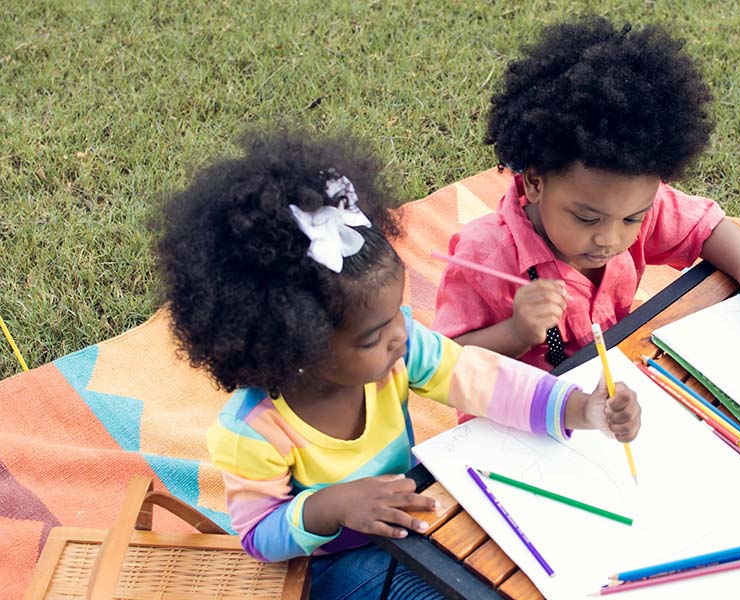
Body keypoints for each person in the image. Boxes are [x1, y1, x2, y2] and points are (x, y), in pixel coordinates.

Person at [154, 128, 642, 598]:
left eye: (396, 315)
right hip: (334, 568)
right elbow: (259, 537)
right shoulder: (253, 432)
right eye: (373, 335)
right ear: (294, 349)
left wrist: (580, 408)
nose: (400, 334)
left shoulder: (401, 346)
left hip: (414, 523)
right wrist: (335, 506)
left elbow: (480, 379)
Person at [433, 17, 740, 371]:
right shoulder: (485, 255)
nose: (610, 239)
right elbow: (442, 363)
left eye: (632, 219)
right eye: (586, 218)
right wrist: (514, 333)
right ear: (535, 182)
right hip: (518, 420)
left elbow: (706, 229)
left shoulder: (632, 204)